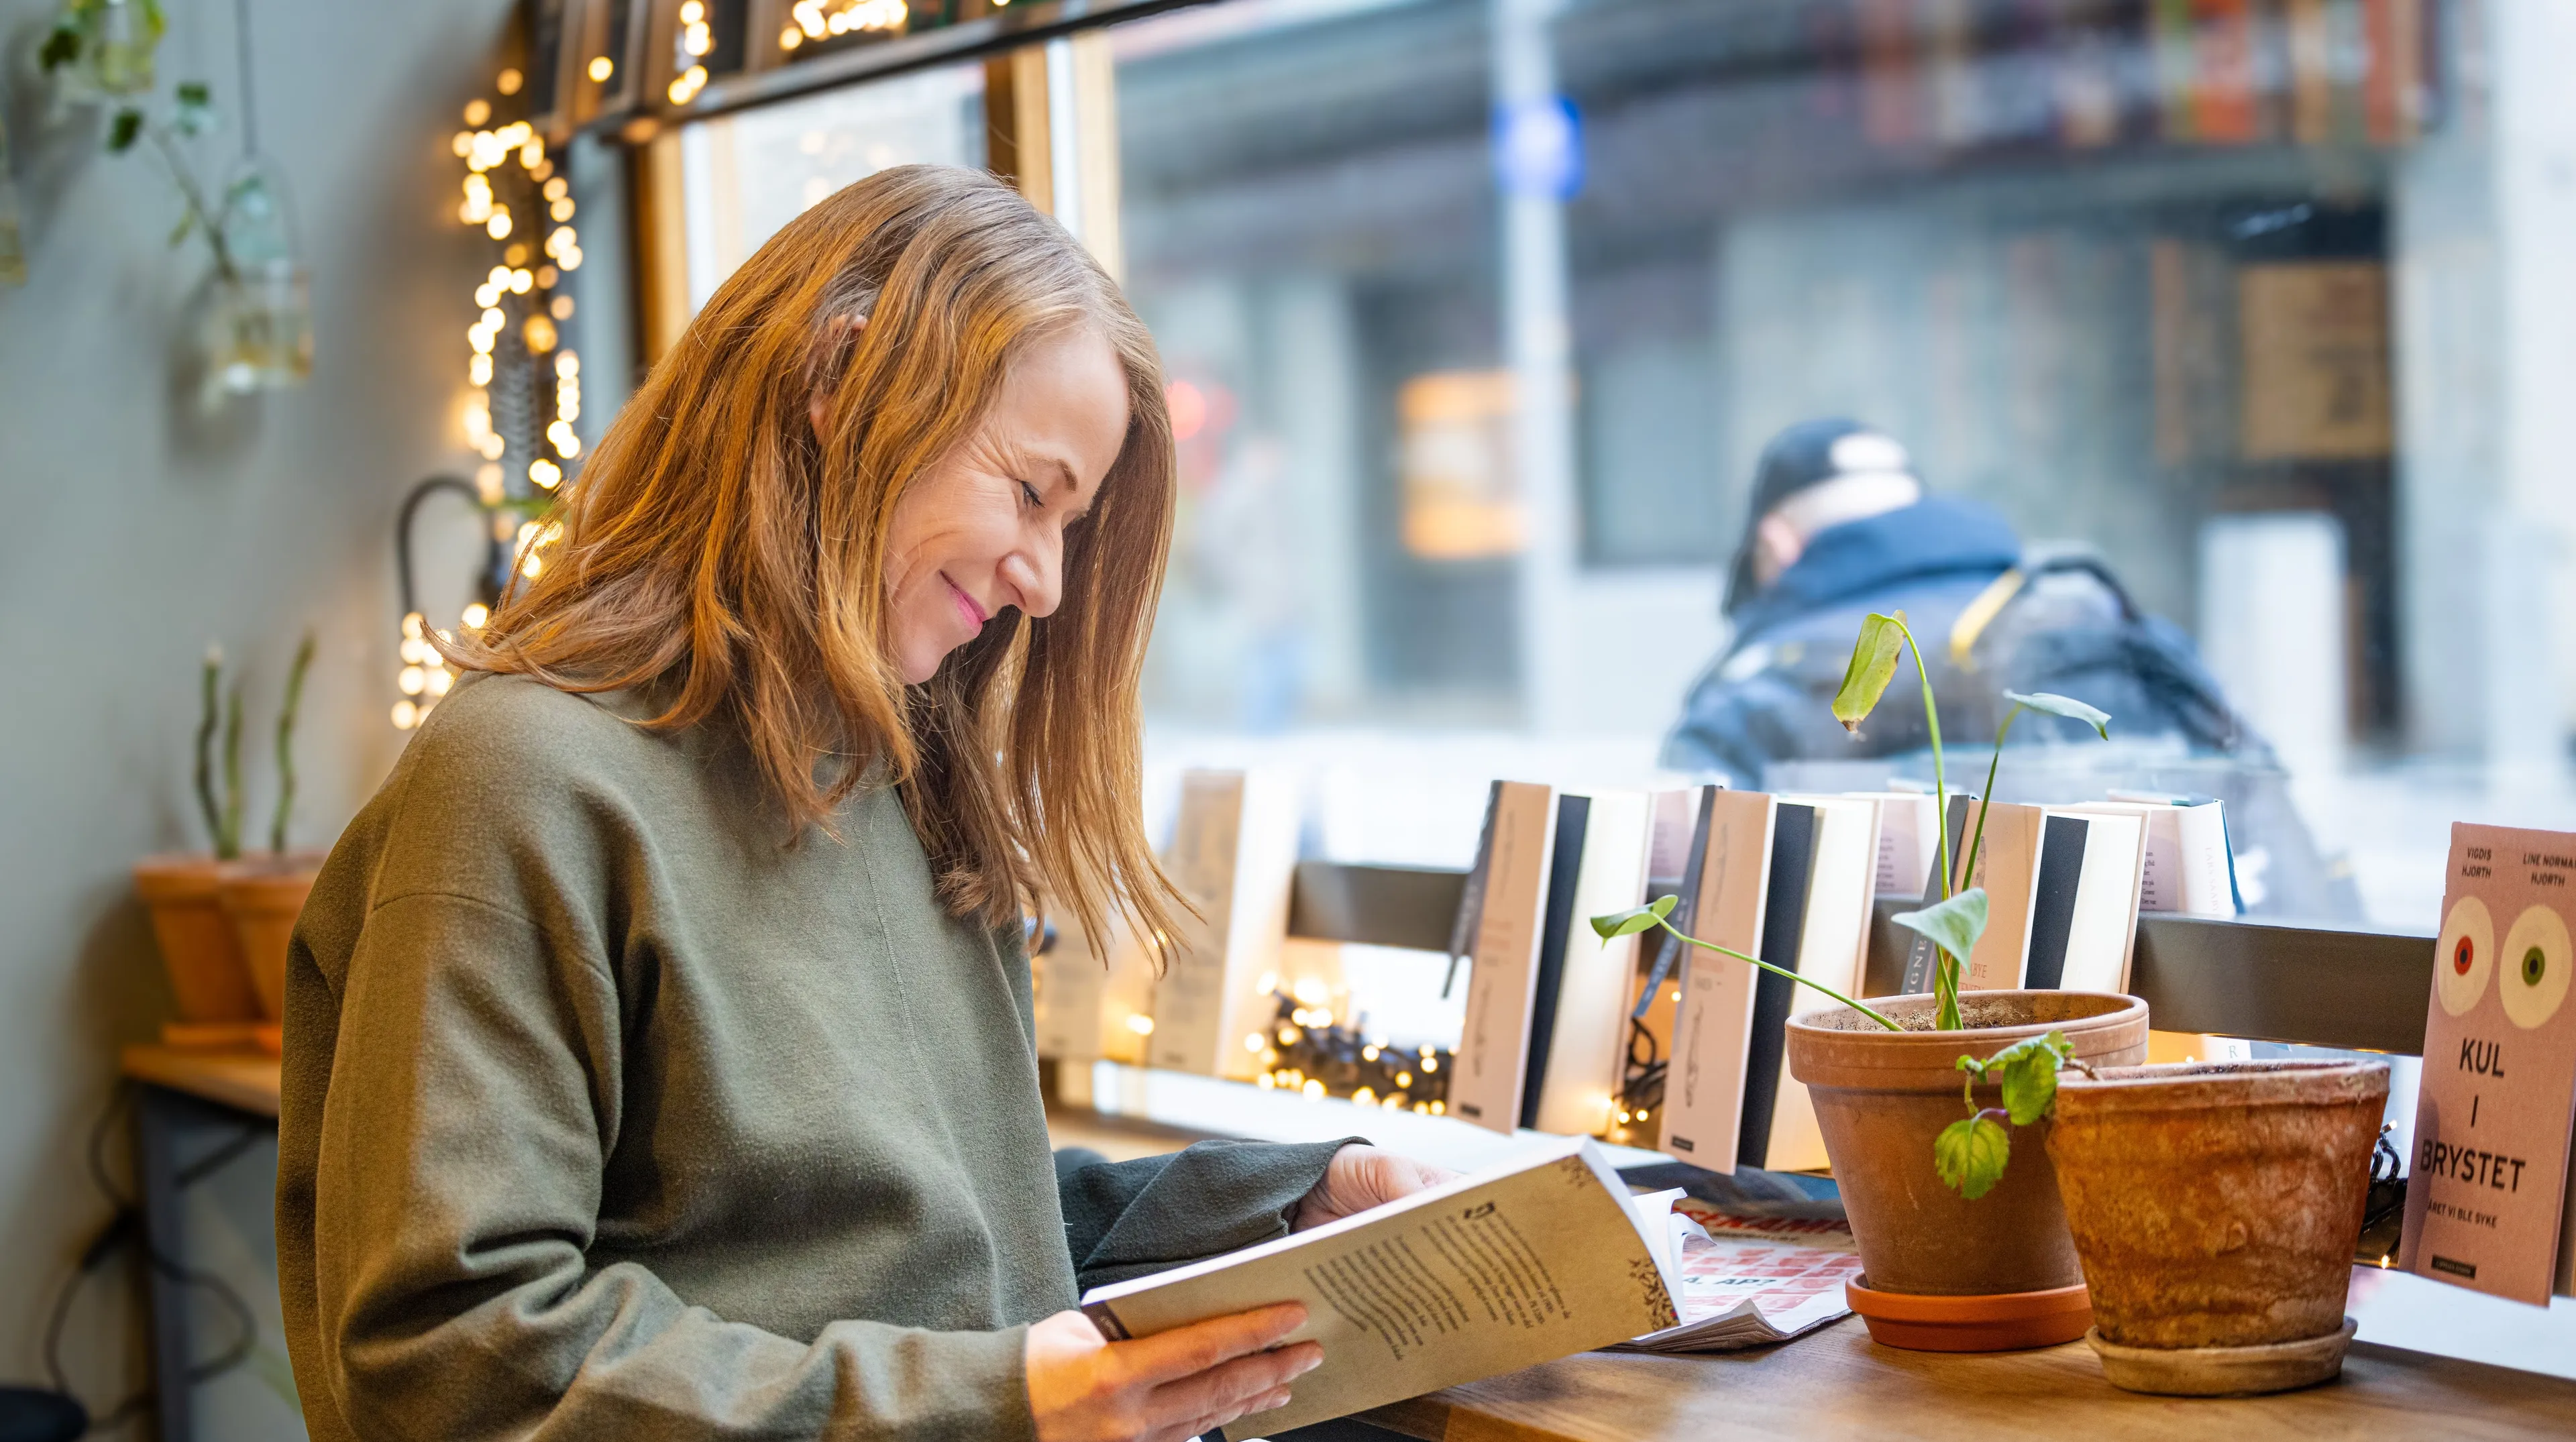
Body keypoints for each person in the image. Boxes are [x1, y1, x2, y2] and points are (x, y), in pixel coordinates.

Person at [276, 166, 1450, 1442]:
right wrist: (989, 1407)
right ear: (841, 386)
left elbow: (945, 1241)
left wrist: (1279, 1210)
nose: (1046, 583)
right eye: (1031, 493)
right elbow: (453, 1363)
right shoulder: (519, 780)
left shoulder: (901, 791)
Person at [1664, 419, 2360, 920]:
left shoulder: (1764, 678)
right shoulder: (2090, 608)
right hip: (2254, 1047)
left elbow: (1683, 902)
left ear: (1777, 546)